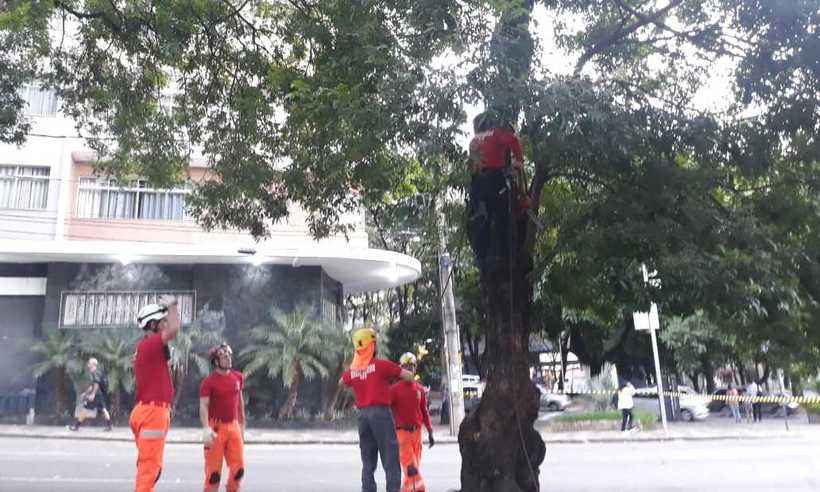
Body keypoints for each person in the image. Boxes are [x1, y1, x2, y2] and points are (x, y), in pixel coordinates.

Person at [342, 327, 414, 492]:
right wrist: (404, 369)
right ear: (373, 346)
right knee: (390, 459)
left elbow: (342, 382)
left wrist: (359, 378)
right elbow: (407, 376)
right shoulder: (382, 365)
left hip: (363, 416)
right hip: (380, 414)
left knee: (367, 460)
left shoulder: (353, 370)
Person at [466, 110, 531, 270]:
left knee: (482, 219)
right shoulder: (495, 134)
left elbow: (473, 166)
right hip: (494, 179)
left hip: (477, 184)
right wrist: (519, 162)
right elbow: (514, 140)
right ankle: (504, 254)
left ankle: (481, 256)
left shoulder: (474, 141)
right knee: (502, 216)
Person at [130, 296, 181, 492]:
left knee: (149, 468)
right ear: (153, 325)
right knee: (149, 470)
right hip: (153, 413)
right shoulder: (151, 343)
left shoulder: (147, 347)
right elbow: (174, 330)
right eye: (163, 321)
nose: (167, 324)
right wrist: (173, 305)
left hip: (148, 411)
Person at [200, 343, 246, 492]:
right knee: (213, 474)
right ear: (216, 361)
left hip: (233, 426)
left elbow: (239, 402)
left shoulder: (237, 377)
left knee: (238, 470)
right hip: (216, 428)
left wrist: (242, 424)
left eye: (228, 355)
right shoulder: (208, 382)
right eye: (224, 356)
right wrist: (206, 428)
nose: (228, 358)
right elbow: (203, 406)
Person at [389, 353, 435, 492]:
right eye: (406, 366)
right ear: (401, 369)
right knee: (412, 471)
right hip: (402, 435)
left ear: (415, 369)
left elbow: (424, 412)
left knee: (412, 473)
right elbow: (387, 411)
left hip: (417, 435)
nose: (409, 369)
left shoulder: (419, 389)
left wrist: (430, 432)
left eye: (412, 366)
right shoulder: (394, 390)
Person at [68, 357, 112, 432]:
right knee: (103, 409)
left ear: (93, 364)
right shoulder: (94, 372)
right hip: (98, 394)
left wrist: (93, 394)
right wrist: (85, 393)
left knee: (85, 409)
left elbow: (96, 384)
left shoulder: (95, 372)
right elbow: (92, 386)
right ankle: (109, 426)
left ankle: (76, 426)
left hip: (96, 395)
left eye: (89, 363)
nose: (88, 364)